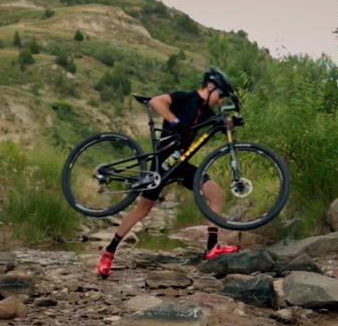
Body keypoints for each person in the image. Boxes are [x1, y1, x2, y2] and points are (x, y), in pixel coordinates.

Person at [97, 67, 240, 278]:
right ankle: (108, 252)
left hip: (179, 164)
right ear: (210, 87)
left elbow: (220, 125)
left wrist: (233, 122)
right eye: (220, 95)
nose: (220, 100)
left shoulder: (207, 112)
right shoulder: (186, 98)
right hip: (164, 159)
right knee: (143, 210)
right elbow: (156, 101)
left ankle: (211, 248)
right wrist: (175, 121)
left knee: (217, 195)